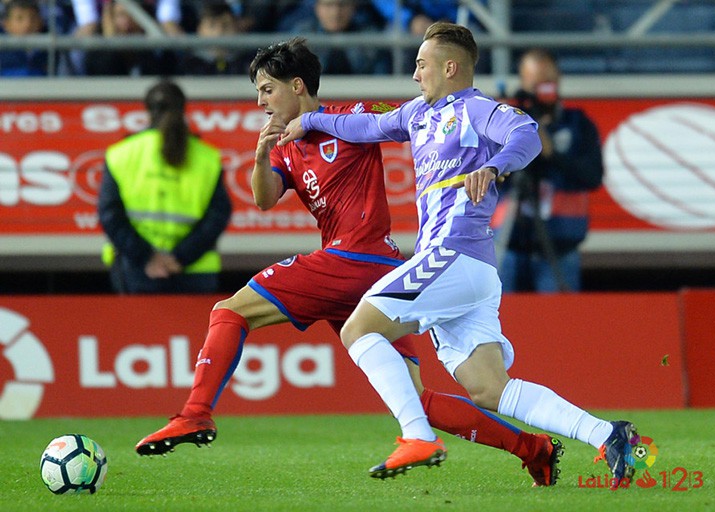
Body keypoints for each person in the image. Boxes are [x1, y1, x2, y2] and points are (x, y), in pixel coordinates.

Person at [134, 37, 564, 488]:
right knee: (419, 400)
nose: (260, 101)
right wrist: (261, 156)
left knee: (228, 311)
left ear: (297, 85)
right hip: (367, 274)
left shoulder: (354, 116)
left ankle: (194, 414)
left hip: (353, 256)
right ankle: (534, 449)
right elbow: (264, 199)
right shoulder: (285, 146)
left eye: (266, 89)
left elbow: (408, 113)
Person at [280, 22, 642, 489]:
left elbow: (527, 134)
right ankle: (608, 434)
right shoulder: (416, 114)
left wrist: (494, 164)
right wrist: (309, 120)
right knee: (490, 389)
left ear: (450, 68)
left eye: (421, 65)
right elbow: (365, 125)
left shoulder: (476, 108)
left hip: (453, 256)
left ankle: (417, 436)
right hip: (469, 273)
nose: (414, 75)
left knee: (359, 328)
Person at [97, 80, 232, 294]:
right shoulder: (208, 157)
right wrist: (180, 257)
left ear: (148, 110)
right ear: (182, 109)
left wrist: (148, 258)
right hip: (195, 271)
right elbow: (218, 215)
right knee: (195, 329)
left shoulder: (120, 154)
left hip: (137, 269)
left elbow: (110, 215)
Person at [497, 48, 604, 293]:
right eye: (535, 84)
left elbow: (592, 176)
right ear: (523, 83)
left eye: (548, 83)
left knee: (559, 321)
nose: (542, 91)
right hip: (508, 244)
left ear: (558, 80)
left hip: (560, 246)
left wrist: (552, 154)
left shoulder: (578, 124)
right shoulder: (507, 124)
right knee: (499, 320)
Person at [281, 0, 391, 75]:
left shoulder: (370, 37)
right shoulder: (301, 35)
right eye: (329, 5)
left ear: (353, 8)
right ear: (317, 8)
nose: (336, 13)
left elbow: (380, 77)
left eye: (342, 5)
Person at [82, 0, 178, 76]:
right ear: (110, 19)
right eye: (121, 15)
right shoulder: (97, 56)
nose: (126, 22)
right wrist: (111, 42)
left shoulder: (159, 54)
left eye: (131, 15)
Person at [181, 1, 250, 76]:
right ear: (199, 29)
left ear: (237, 28)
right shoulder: (188, 64)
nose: (219, 31)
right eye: (212, 25)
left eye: (226, 25)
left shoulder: (249, 62)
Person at [0, 0, 48, 76]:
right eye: (20, 18)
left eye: (32, 18)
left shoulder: (50, 49)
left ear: (40, 22)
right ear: (6, 24)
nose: (27, 24)